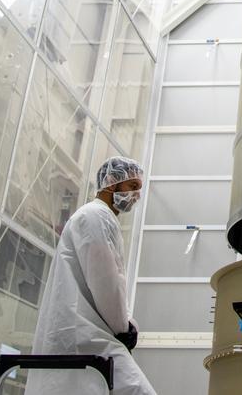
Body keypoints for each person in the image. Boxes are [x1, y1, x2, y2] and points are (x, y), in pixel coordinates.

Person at [25, 156, 155, 395]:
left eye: (139, 189)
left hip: (86, 331)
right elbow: (106, 281)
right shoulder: (97, 217)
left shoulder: (97, 217)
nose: (136, 196)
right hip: (86, 332)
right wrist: (123, 328)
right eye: (132, 187)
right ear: (112, 182)